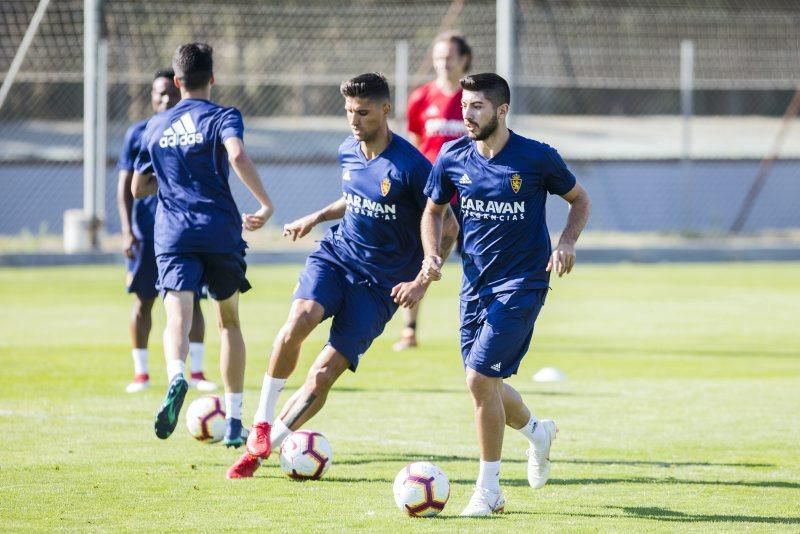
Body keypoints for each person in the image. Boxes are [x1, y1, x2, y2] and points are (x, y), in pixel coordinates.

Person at [226, 72, 459, 479]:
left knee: (324, 372)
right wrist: (316, 216)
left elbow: (449, 224)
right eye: (349, 111)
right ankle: (262, 422)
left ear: (386, 110)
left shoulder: (412, 166)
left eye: (363, 112)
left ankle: (262, 450)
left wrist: (424, 278)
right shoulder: (347, 149)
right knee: (300, 317)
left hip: (381, 286)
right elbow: (355, 197)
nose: (354, 120)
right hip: (339, 256)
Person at [419, 73, 591, 516]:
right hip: (473, 287)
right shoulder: (452, 157)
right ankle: (537, 432)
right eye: (464, 105)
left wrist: (567, 242)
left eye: (477, 106)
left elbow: (579, 200)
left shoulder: (536, 158)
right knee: (487, 383)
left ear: (501, 111)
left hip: (523, 284)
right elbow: (433, 211)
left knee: (479, 379)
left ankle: (489, 490)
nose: (467, 114)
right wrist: (430, 256)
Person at [132, 43, 273, 447]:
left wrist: (173, 178)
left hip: (173, 233)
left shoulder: (155, 126)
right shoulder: (223, 116)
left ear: (177, 82)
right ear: (212, 78)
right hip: (218, 230)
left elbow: (139, 186)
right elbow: (238, 155)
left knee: (176, 316)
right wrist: (265, 203)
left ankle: (177, 374)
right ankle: (234, 423)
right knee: (228, 321)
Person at [116, 68, 217, 394]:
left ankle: (197, 372)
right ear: (152, 97)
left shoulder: (194, 130)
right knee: (144, 301)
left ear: (180, 92)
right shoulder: (139, 133)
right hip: (148, 231)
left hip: (186, 230)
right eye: (158, 94)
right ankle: (141, 374)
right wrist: (127, 231)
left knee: (195, 300)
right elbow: (125, 187)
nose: (164, 100)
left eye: (169, 94)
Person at [394, 31, 472, 352]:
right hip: (431, 196)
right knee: (423, 259)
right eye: (438, 57)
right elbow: (415, 144)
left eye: (449, 57)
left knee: (477, 260)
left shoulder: (473, 99)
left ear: (463, 60)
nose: (442, 63)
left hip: (468, 193)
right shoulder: (421, 97)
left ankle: (482, 326)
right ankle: (409, 330)